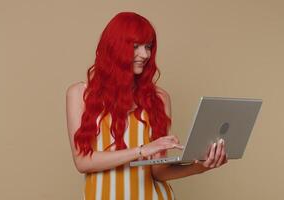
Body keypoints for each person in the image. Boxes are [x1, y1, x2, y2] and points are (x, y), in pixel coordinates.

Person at [66, 12, 228, 200]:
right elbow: (83, 162)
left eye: (148, 46)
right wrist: (141, 150)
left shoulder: (160, 98)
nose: (145, 54)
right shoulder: (80, 94)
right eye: (136, 46)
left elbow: (159, 172)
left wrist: (201, 166)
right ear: (115, 47)